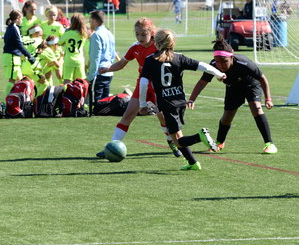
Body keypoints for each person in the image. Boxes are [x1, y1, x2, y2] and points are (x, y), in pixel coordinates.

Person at [138, 29, 226, 170]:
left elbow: (143, 83)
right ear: (172, 43)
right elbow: (202, 65)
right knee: (178, 135)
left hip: (166, 104)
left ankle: (199, 136)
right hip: (180, 102)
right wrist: (218, 73)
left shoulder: (150, 60)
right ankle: (192, 163)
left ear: (156, 43)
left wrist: (142, 104)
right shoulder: (179, 58)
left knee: (178, 141)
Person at [97, 18, 181, 158]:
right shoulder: (135, 47)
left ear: (151, 33)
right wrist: (107, 69)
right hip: (142, 86)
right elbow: (122, 63)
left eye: (143, 34)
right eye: (137, 34)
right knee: (127, 116)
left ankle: (173, 144)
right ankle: (111, 147)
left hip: (159, 88)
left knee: (164, 119)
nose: (140, 37)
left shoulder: (159, 46)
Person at [188, 38, 277, 154]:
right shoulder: (213, 65)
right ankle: (219, 142)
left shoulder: (244, 63)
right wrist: (191, 99)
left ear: (231, 57)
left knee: (256, 108)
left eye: (224, 61)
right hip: (233, 87)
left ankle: (269, 144)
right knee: (227, 118)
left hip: (250, 85)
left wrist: (268, 98)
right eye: (218, 61)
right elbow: (202, 82)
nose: (220, 65)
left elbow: (262, 78)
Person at [2, 10, 36, 95]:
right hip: (12, 57)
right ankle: (8, 100)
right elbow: (19, 44)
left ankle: (18, 98)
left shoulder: (10, 27)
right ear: (17, 18)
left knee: (19, 79)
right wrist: (29, 55)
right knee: (12, 80)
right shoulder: (14, 28)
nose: (22, 20)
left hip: (12, 57)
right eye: (21, 18)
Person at [87, 10, 116, 103]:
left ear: (95, 21)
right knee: (105, 103)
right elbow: (113, 54)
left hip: (98, 74)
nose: (89, 23)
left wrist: (90, 77)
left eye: (90, 21)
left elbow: (95, 58)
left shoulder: (96, 35)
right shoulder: (109, 33)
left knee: (97, 103)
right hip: (108, 72)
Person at [59, 13, 89, 83]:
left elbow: (59, 42)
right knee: (80, 82)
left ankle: (67, 91)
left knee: (67, 81)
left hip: (69, 60)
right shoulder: (84, 34)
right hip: (79, 60)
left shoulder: (68, 33)